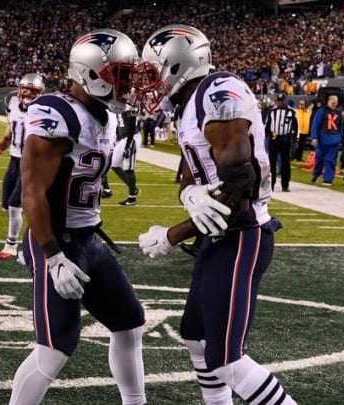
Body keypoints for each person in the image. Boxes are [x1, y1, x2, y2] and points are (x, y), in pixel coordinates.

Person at [135, 24, 296, 405]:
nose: (150, 82)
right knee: (194, 334)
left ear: (178, 65)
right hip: (221, 236)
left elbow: (240, 182)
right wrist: (190, 191)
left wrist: (174, 234)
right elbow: (192, 168)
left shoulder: (218, 93)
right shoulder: (192, 103)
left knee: (225, 359)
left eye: (154, 70)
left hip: (242, 234)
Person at [10, 29, 146, 405]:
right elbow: (32, 190)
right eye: (119, 75)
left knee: (130, 325)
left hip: (88, 239)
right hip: (56, 241)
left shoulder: (105, 115)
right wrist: (53, 256)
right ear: (90, 73)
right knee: (55, 348)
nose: (126, 84)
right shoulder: (58, 113)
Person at [0, 73, 45, 260]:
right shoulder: (13, 105)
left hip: (30, 163)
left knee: (14, 205)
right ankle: (36, 219)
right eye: (24, 89)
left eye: (32, 90)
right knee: (6, 205)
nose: (27, 93)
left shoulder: (42, 111)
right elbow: (9, 134)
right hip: (14, 160)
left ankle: (11, 246)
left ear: (39, 93)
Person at [107, 105, 142, 206]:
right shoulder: (119, 104)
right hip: (124, 138)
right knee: (114, 164)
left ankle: (132, 198)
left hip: (131, 138)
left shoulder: (129, 105)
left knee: (128, 168)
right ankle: (134, 189)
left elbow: (131, 125)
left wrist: (129, 144)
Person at [265, 92, 297, 191]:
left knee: (285, 163)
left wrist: (294, 140)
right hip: (274, 139)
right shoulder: (272, 112)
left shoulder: (292, 112)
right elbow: (267, 126)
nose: (280, 103)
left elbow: (296, 127)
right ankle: (271, 185)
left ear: (285, 101)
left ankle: (285, 185)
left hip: (285, 139)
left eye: (282, 101)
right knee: (272, 163)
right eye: (278, 101)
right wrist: (264, 138)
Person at [310, 94, 343, 186]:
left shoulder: (339, 113)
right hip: (322, 140)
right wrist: (314, 137)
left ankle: (328, 179)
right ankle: (316, 174)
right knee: (319, 159)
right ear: (328, 101)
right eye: (332, 102)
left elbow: (341, 126)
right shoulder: (321, 112)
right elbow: (315, 125)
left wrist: (340, 137)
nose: (334, 104)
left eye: (335, 103)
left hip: (334, 140)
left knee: (330, 160)